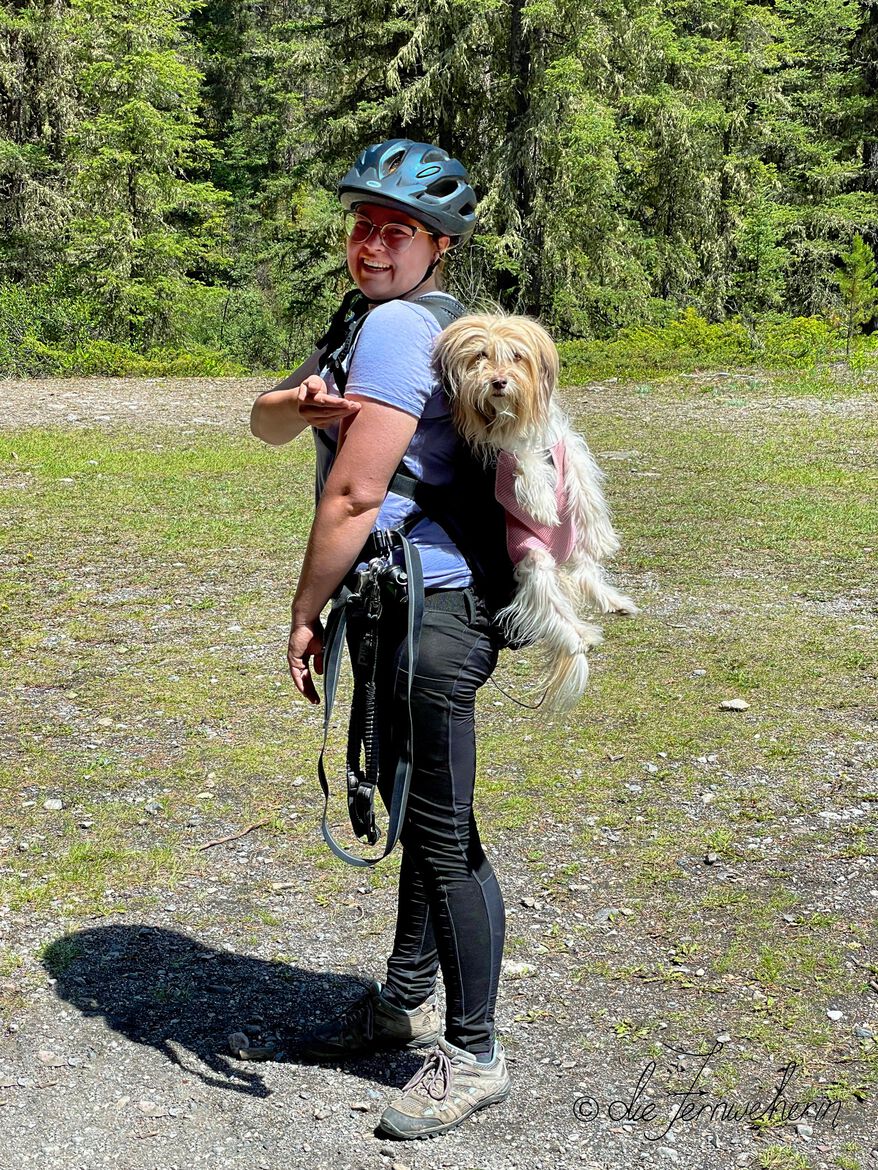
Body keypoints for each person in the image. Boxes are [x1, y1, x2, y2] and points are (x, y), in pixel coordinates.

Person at [249, 139, 510, 1139]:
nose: (370, 243)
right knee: (410, 806)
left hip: (432, 611)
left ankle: (476, 1054)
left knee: (444, 833)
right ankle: (402, 1001)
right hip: (402, 605)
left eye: (394, 228)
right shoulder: (365, 321)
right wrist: (297, 401)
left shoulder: (402, 325)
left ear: (437, 245)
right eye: (360, 225)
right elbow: (270, 426)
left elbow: (356, 492)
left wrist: (301, 612)